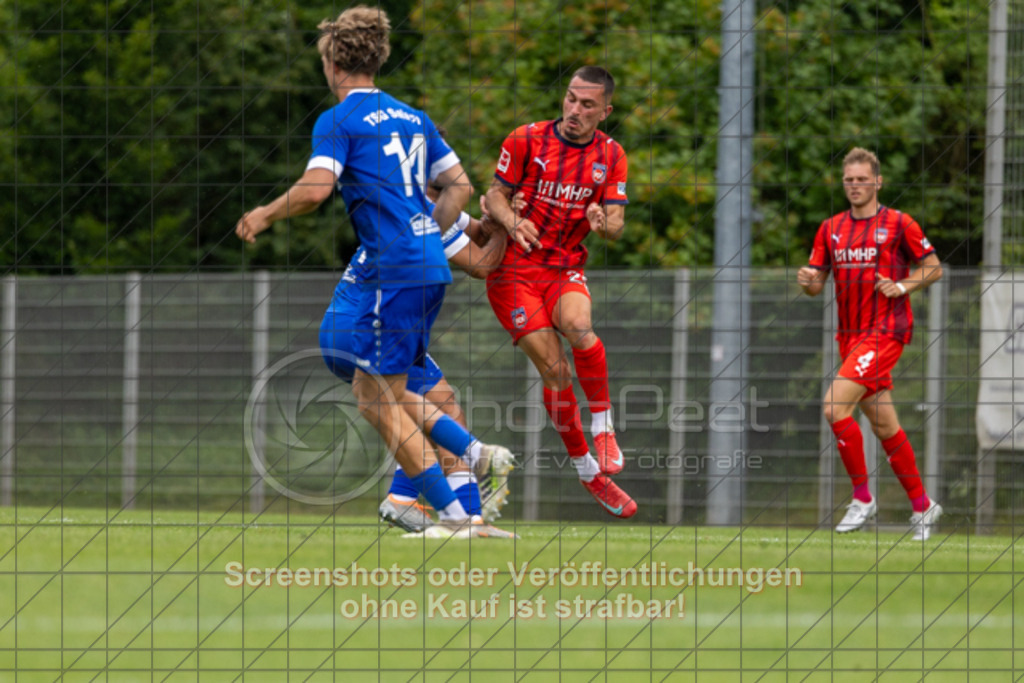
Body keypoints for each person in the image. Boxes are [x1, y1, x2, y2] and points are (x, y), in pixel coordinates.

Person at [235, 6, 514, 539]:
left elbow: (316, 190)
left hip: (394, 271)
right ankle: (471, 476)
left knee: (376, 399)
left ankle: (455, 510)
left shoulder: (338, 120)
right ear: (377, 57)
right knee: (390, 391)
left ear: (331, 62)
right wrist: (428, 230)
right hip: (428, 269)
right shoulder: (413, 117)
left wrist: (265, 213)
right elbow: (457, 186)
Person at [484, 65, 637, 519]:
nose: (574, 109)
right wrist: (513, 221)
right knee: (555, 372)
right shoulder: (526, 139)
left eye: (587, 104)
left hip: (565, 266)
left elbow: (616, 224)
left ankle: (604, 428)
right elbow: (494, 195)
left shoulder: (612, 155)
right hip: (513, 273)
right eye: (570, 98)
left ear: (605, 111)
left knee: (578, 325)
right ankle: (589, 471)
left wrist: (603, 224)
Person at [323, 195, 514, 534]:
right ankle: (469, 478)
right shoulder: (427, 210)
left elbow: (478, 233)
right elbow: (482, 263)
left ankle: (430, 503)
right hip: (372, 322)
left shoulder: (422, 200)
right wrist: (508, 222)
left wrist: (497, 217)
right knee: (405, 403)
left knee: (438, 403)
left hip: (353, 322)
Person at [797, 147, 944, 541]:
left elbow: (933, 267)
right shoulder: (831, 229)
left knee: (833, 406)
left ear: (878, 182)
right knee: (884, 425)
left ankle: (862, 498)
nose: (855, 186)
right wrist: (808, 280)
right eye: (849, 180)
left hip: (886, 332)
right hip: (850, 338)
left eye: (863, 180)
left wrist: (902, 285)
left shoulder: (899, 223)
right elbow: (816, 282)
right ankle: (923, 505)